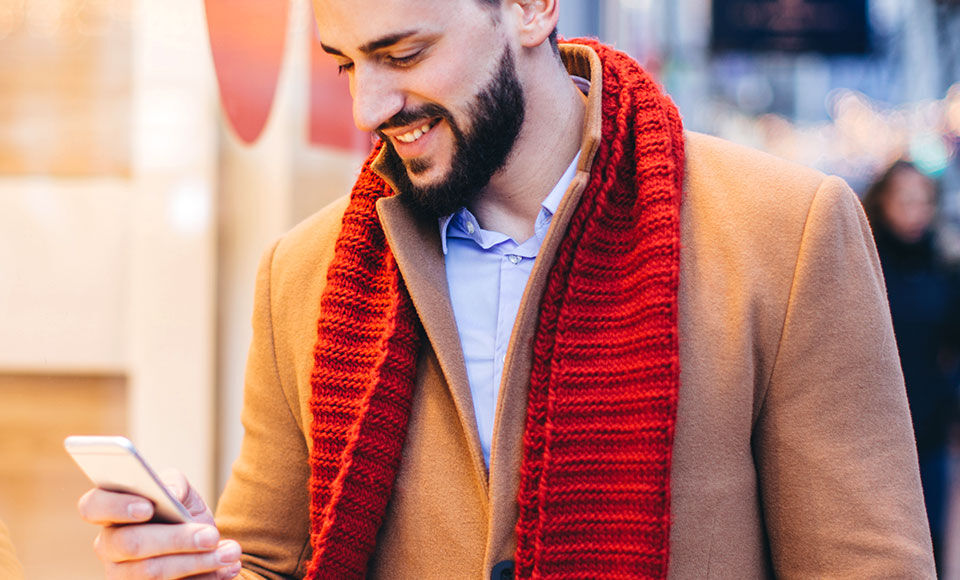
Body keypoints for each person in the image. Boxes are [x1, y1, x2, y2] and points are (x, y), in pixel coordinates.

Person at [78, 0, 936, 577]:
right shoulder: (299, 278)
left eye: (403, 53)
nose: (370, 106)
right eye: (344, 65)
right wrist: (190, 560)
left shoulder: (784, 232)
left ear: (529, 7)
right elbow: (270, 561)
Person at [862, 160, 960, 574]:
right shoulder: (863, 264)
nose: (915, 210)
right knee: (878, 543)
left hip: (930, 426)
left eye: (923, 201)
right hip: (871, 428)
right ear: (883, 202)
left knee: (928, 538)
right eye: (905, 200)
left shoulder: (944, 268)